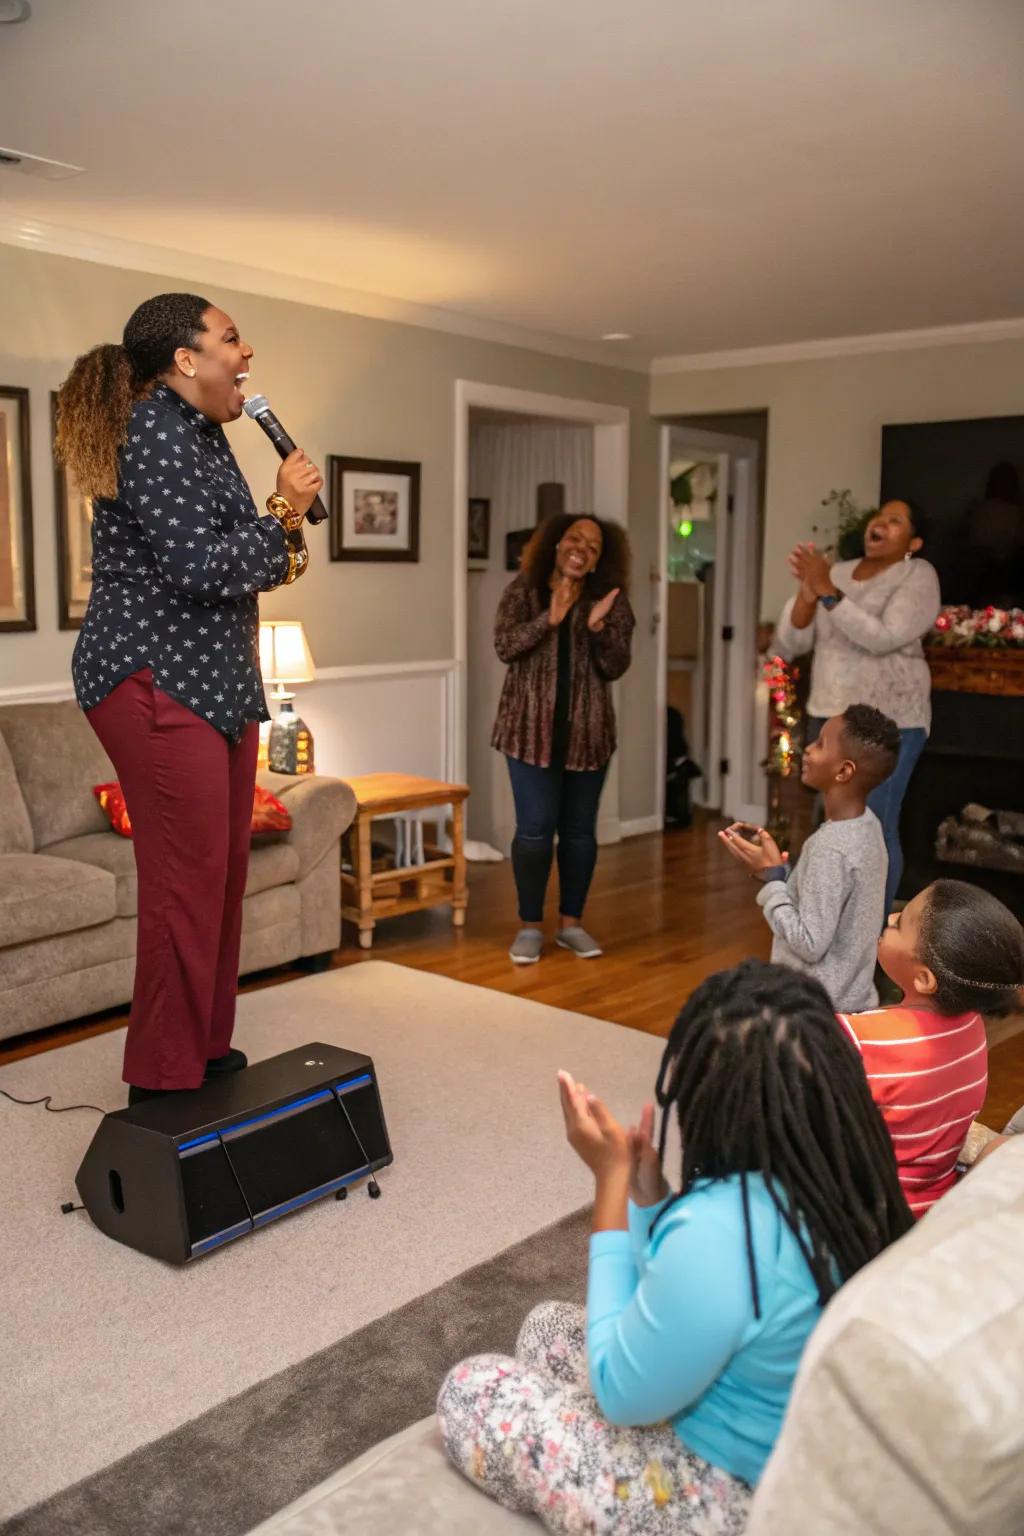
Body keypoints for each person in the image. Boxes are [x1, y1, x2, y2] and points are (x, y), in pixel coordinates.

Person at [437, 961, 912, 1535]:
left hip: (729, 1500)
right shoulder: (850, 1180)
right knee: (544, 1328)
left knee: (472, 1388)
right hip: (778, 1441)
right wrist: (648, 1194)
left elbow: (619, 1397)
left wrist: (610, 1187)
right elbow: (696, 1289)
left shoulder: (722, 1228)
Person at [54, 293, 323, 1103]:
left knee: (224, 868)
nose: (247, 356)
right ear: (185, 359)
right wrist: (283, 510)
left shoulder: (204, 435)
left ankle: (204, 1048)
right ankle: (163, 1078)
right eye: (232, 340)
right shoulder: (151, 432)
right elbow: (201, 569)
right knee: (184, 877)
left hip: (215, 680)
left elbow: (258, 559)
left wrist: (282, 521)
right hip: (152, 678)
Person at [775, 499, 941, 914]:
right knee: (827, 822)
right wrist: (810, 592)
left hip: (893, 721)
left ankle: (870, 936)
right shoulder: (836, 571)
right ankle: (819, 922)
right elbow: (791, 643)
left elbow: (884, 636)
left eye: (895, 520)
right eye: (879, 515)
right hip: (830, 713)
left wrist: (828, 591)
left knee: (874, 823)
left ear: (913, 542)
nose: (879, 523)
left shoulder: (917, 575)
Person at [492, 513, 634, 965]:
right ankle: (530, 925)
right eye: (575, 538)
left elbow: (616, 667)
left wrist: (596, 631)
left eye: (593, 546)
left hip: (587, 737)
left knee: (577, 835)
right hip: (527, 733)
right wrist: (549, 619)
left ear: (597, 561)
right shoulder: (523, 591)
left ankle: (571, 924)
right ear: (555, 545)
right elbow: (505, 647)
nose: (582, 548)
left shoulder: (610, 601)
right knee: (534, 833)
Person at [839, 878, 1024, 1217]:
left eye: (901, 921)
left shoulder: (862, 1036)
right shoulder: (971, 1024)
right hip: (934, 1206)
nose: (890, 918)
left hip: (869, 1214)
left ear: (924, 979)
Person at [719, 704, 898, 1011]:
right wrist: (781, 872)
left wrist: (774, 882)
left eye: (820, 744)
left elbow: (808, 943)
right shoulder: (869, 826)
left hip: (812, 1011)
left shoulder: (830, 847)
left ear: (844, 771)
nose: (807, 750)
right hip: (853, 1001)